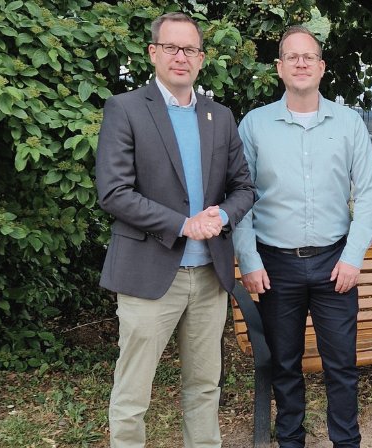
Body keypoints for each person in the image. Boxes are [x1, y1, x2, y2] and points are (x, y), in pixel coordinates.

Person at [94, 12, 255, 448]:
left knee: (204, 387)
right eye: (171, 47)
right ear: (153, 52)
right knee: (133, 393)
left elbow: (244, 187)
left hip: (209, 276)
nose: (181, 57)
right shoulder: (125, 109)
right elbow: (114, 192)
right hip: (148, 273)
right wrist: (184, 224)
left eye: (190, 49)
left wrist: (222, 216)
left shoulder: (219, 116)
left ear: (201, 58)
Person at [233, 25, 372, 448]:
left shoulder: (349, 123)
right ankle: (291, 440)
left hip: (335, 263)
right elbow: (240, 197)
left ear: (321, 67)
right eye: (292, 57)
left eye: (309, 57)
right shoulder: (255, 125)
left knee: (341, 366)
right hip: (275, 265)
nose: (301, 63)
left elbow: (369, 195)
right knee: (285, 364)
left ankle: (346, 442)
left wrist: (353, 256)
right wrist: (249, 260)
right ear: (279, 68)